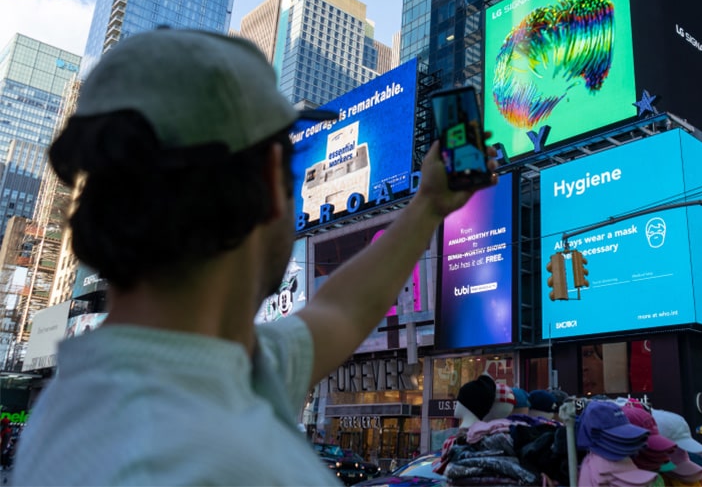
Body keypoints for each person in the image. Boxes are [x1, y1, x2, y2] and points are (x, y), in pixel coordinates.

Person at [11, 28, 496, 486]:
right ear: (270, 180)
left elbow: (340, 312)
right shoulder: (201, 457)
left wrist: (429, 204)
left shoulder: (192, 369)